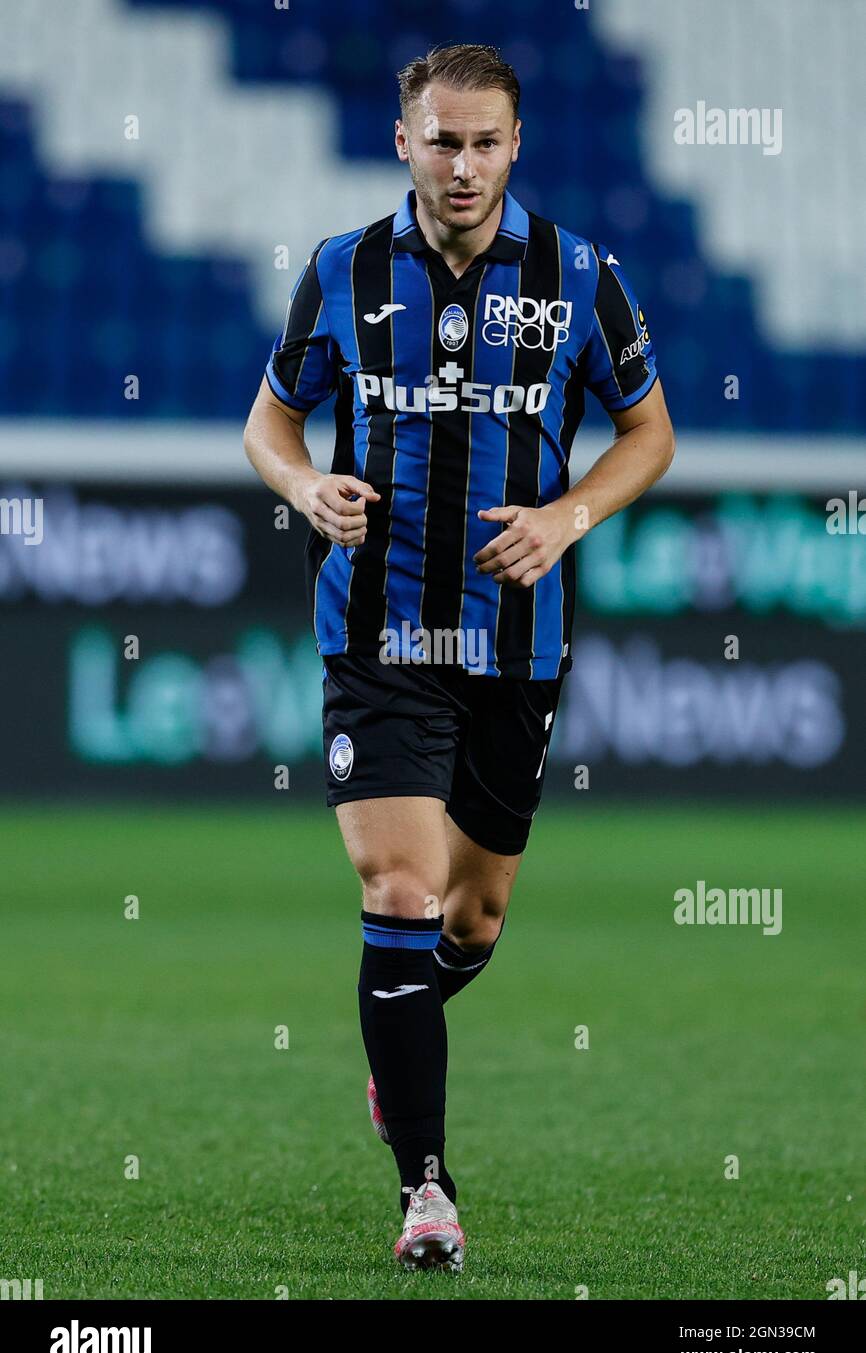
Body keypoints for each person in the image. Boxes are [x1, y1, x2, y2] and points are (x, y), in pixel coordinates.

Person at [244, 42, 675, 1272]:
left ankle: (401, 1039)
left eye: (485, 141)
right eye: (441, 138)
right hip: (376, 631)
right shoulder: (341, 272)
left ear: (516, 146)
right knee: (399, 890)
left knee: (471, 921)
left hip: (515, 644)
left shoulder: (577, 275)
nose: (463, 163)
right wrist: (300, 484)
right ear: (402, 141)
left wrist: (568, 516)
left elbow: (647, 431)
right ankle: (424, 1188)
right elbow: (269, 416)